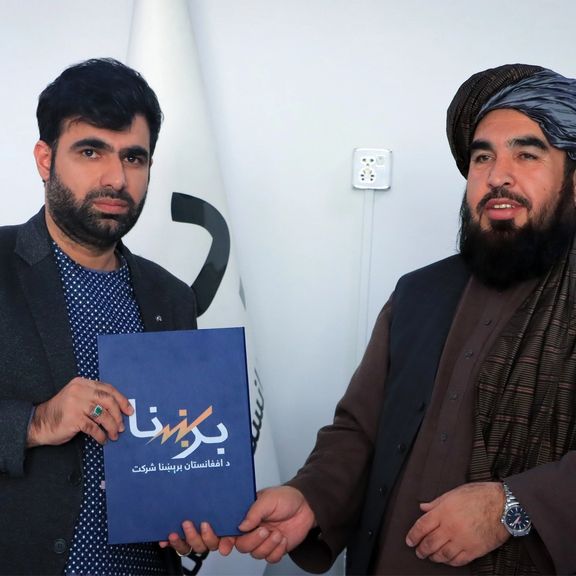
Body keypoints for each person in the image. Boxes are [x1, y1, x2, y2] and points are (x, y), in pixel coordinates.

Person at [196, 63, 576, 575]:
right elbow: (359, 431)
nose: (497, 176)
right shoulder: (421, 294)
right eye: (482, 156)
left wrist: (512, 506)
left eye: (526, 155)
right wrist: (311, 498)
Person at [0, 58, 209, 575]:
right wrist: (36, 422)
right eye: (90, 151)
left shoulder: (172, 297)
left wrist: (195, 525)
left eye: (134, 158)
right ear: (45, 159)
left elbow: (183, 455)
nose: (116, 178)